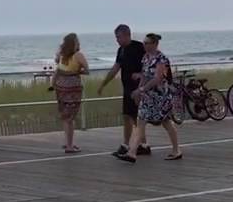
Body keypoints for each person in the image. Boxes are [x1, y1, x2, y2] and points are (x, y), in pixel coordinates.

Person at [117, 34, 180, 162]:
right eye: (144, 43)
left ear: (155, 44)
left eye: (147, 43)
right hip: (147, 98)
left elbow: (158, 78)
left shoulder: (161, 59)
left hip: (160, 97)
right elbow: (145, 76)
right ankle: (132, 153)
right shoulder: (145, 58)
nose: (144, 45)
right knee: (140, 122)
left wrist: (142, 89)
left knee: (166, 122)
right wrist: (139, 90)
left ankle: (176, 150)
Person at [99, 25, 150, 158]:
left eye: (119, 37)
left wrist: (140, 75)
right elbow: (115, 68)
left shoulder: (139, 47)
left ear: (127, 35)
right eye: (116, 37)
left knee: (136, 117)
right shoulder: (121, 50)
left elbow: (151, 64)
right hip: (127, 88)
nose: (117, 40)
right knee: (128, 116)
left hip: (139, 88)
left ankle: (141, 145)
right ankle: (128, 145)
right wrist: (103, 84)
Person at [51, 33, 89, 153]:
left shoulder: (61, 55)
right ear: (74, 43)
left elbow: (58, 67)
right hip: (72, 89)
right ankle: (69, 145)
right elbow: (87, 70)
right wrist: (76, 71)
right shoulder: (78, 55)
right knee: (70, 118)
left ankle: (68, 142)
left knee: (65, 116)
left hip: (61, 87)